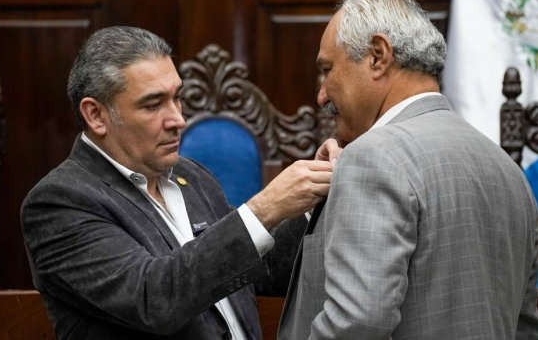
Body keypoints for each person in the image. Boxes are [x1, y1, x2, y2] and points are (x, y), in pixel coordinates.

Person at [21, 26, 336, 340]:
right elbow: (152, 299)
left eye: (177, 98)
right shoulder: (59, 202)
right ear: (96, 115)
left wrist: (314, 191)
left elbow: (253, 270)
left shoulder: (192, 177)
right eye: (153, 104)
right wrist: (263, 210)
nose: (177, 120)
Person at [277, 0, 538, 339]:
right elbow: (526, 329)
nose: (321, 93)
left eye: (328, 70)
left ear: (377, 55)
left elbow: (356, 327)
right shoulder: (509, 172)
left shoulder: (370, 159)